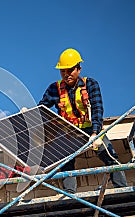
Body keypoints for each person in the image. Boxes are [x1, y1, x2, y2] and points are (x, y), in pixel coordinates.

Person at [38, 48, 127, 193]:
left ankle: (123, 190)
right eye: (63, 71)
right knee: (66, 163)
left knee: (110, 156)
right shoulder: (54, 89)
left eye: (70, 70)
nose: (66, 75)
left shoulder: (90, 84)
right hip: (69, 132)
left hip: (90, 129)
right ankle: (70, 195)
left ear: (79, 69)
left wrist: (95, 133)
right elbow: (42, 109)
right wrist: (31, 114)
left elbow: (97, 109)